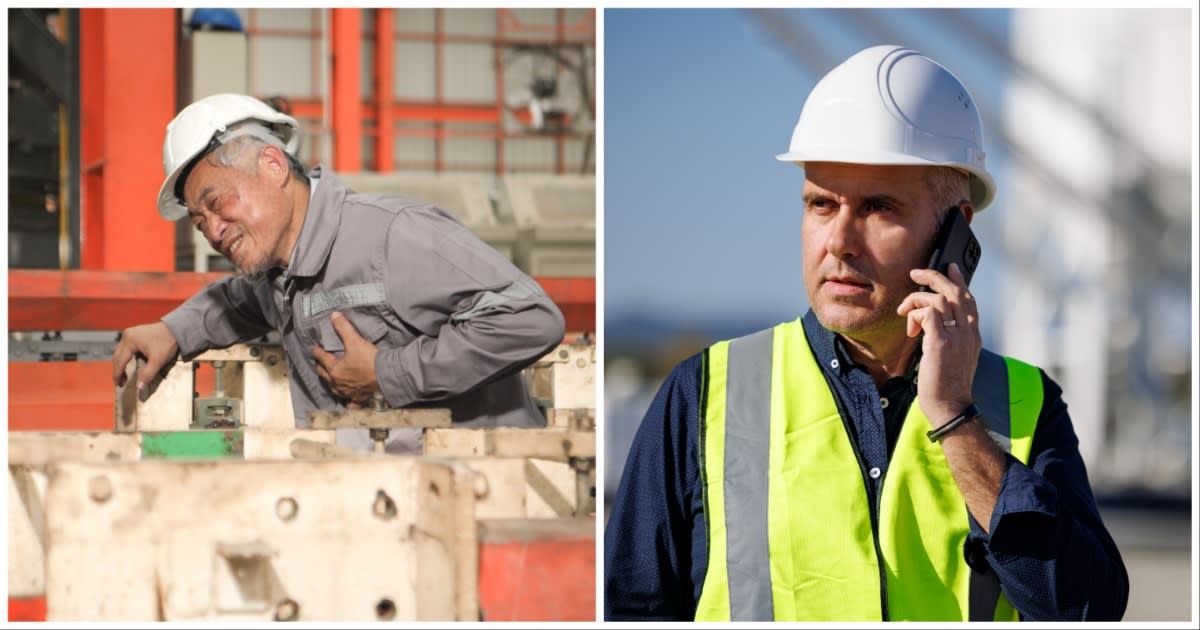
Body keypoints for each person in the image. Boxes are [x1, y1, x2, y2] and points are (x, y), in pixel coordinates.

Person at [604, 45, 1128, 621]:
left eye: (879, 207)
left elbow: (1086, 610)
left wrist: (956, 418)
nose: (839, 240)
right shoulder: (703, 395)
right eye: (821, 204)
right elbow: (631, 606)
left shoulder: (1023, 405)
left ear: (956, 229)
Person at [112, 93, 565, 451]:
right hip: (380, 501)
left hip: (483, 496)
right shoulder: (281, 274)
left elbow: (530, 318)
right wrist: (172, 330)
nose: (211, 230)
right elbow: (238, 302)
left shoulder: (391, 235)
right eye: (199, 221)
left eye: (216, 204)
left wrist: (389, 373)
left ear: (272, 165)